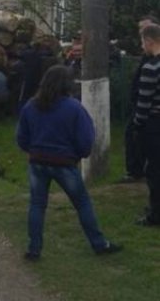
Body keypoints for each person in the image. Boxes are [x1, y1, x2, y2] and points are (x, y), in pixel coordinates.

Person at [16, 65, 122, 260]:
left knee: (37, 205)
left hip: (37, 160)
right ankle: (99, 244)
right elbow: (85, 139)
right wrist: (78, 155)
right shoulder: (74, 108)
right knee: (82, 203)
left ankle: (34, 248)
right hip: (64, 162)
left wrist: (31, 150)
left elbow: (21, 136)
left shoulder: (31, 106)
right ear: (67, 84)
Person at [121, 15, 159, 183]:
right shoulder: (148, 58)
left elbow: (147, 93)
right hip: (147, 109)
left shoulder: (152, 64)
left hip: (149, 114)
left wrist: (139, 120)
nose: (140, 34)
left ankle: (136, 171)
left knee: (153, 166)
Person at [133, 24, 160, 226]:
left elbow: (144, 101)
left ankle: (155, 214)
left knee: (153, 170)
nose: (142, 46)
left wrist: (137, 123)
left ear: (150, 41)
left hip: (154, 124)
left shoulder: (151, 67)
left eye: (142, 42)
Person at [18, 42, 44, 112]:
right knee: (33, 96)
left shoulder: (27, 53)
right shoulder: (40, 55)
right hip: (37, 79)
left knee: (23, 96)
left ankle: (21, 111)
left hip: (26, 77)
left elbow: (21, 56)